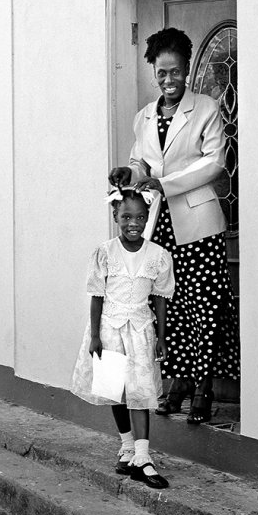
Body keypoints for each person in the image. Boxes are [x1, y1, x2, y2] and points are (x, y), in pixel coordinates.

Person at [109, 27, 240, 425]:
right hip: (160, 225)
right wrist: (127, 172)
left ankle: (204, 387)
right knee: (171, 305)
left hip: (199, 224)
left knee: (205, 307)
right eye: (162, 73)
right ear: (154, 72)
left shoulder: (206, 108)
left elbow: (215, 162)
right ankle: (178, 382)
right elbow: (141, 163)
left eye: (176, 72)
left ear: (187, 69)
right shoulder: (144, 117)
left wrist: (164, 183)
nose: (169, 80)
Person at [71, 188, 174, 488]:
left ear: (147, 219)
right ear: (115, 216)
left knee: (140, 393)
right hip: (110, 330)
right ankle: (127, 446)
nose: (133, 223)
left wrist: (162, 338)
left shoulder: (157, 256)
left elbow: (160, 299)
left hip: (141, 331)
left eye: (140, 217)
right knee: (116, 391)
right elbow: (96, 297)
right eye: (126, 216)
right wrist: (94, 337)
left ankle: (143, 457)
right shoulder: (105, 252)